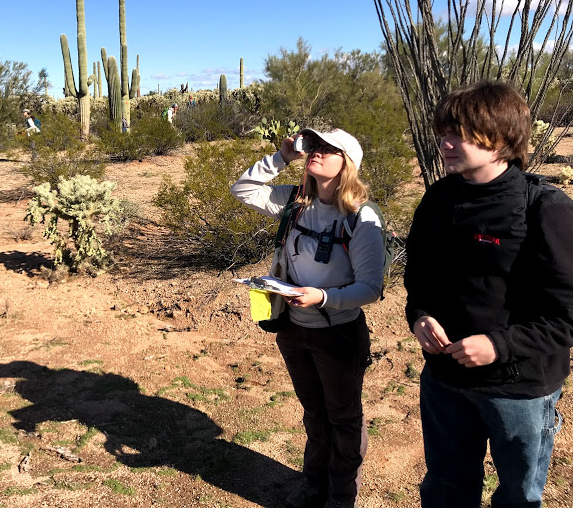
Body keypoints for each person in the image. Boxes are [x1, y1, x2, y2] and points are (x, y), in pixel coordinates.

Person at [404, 81, 573, 508]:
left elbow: (568, 314)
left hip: (519, 388)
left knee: (518, 495)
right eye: (443, 130)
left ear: (501, 139)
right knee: (445, 488)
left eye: (458, 133)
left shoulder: (544, 208)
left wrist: (499, 345)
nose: (444, 142)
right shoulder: (438, 198)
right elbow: (419, 275)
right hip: (445, 380)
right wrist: (420, 315)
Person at [231, 128, 384, 508]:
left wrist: (323, 297)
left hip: (338, 334)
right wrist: (281, 157)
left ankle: (341, 495)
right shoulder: (296, 201)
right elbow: (243, 190)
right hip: (293, 329)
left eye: (327, 148)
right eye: (313, 146)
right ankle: (314, 482)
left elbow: (370, 288)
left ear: (346, 162)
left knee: (343, 417)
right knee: (314, 412)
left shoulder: (360, 216)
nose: (316, 152)